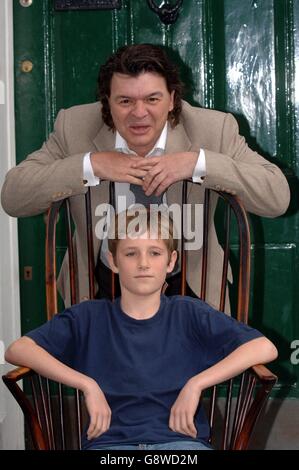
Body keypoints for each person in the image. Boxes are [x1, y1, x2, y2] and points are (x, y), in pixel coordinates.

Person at [1, 44, 290, 307]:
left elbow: (276, 197)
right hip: (99, 294)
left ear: (172, 99)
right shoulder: (73, 126)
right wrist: (92, 165)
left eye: (152, 99)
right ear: (107, 102)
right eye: (125, 101)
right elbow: (14, 197)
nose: (139, 113)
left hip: (193, 291)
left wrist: (198, 164)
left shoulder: (214, 129)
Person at [5, 207, 278, 451]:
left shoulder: (189, 313)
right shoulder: (88, 317)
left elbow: (264, 347)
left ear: (171, 262)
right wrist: (86, 384)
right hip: (110, 445)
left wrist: (197, 384)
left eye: (154, 253)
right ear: (113, 260)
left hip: (181, 444)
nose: (143, 263)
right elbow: (19, 350)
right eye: (131, 253)